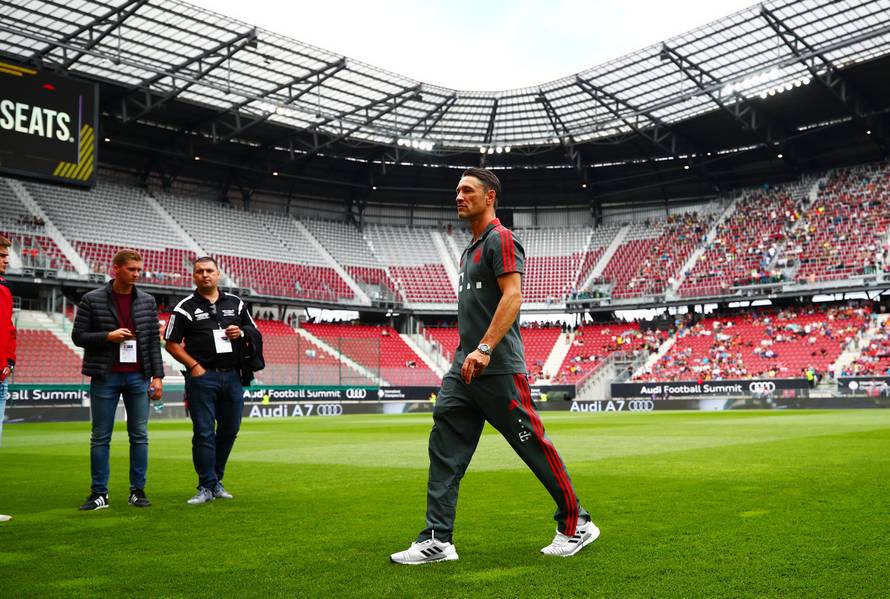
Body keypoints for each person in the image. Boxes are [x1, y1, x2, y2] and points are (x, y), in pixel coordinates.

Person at [390, 168, 597, 565]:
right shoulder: (468, 250)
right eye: (457, 190)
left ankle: (578, 523)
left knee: (532, 445)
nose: (459, 196)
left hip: (497, 367)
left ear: (490, 197)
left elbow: (513, 296)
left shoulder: (500, 239)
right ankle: (437, 538)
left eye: (468, 190)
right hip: (463, 369)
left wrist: (484, 348)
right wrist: (469, 353)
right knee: (444, 448)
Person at [71, 249, 164, 511]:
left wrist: (158, 376)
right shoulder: (92, 299)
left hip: (138, 376)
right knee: (100, 436)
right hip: (105, 375)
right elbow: (78, 336)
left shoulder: (147, 301)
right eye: (132, 269)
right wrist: (107, 337)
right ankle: (99, 493)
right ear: (116, 269)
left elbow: (152, 343)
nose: (137, 274)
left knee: (140, 435)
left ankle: (137, 491)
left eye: (139, 270)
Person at [164, 257, 260, 505]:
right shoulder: (184, 307)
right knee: (204, 432)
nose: (205, 275)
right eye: (200, 271)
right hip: (202, 378)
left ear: (218, 274)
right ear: (194, 276)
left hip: (233, 376)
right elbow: (171, 343)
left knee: (230, 430)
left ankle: (216, 481)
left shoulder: (236, 303)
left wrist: (241, 332)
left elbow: (254, 331)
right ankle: (206, 485)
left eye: (209, 271)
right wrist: (194, 366)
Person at [0, 235, 17, 522]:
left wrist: (9, 361)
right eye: (1, 255)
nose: (6, 259)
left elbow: (9, 331)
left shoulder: (4, 290)